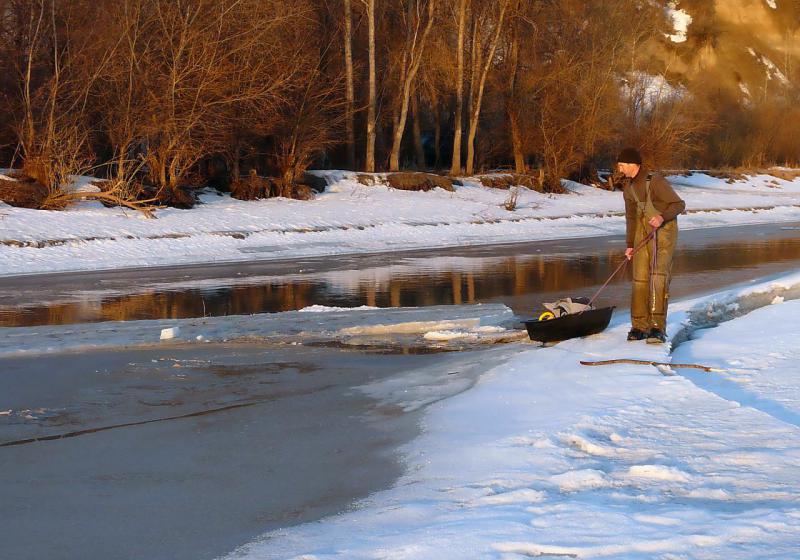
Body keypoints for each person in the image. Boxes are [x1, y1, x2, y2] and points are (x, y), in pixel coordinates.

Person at [616, 148, 685, 344]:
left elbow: (679, 204)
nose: (619, 169)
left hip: (664, 232)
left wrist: (662, 217)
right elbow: (630, 217)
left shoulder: (654, 180)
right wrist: (630, 245)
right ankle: (639, 326)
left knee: (657, 278)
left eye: (621, 165)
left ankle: (657, 327)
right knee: (639, 279)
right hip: (641, 233)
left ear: (632, 164)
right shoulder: (628, 187)